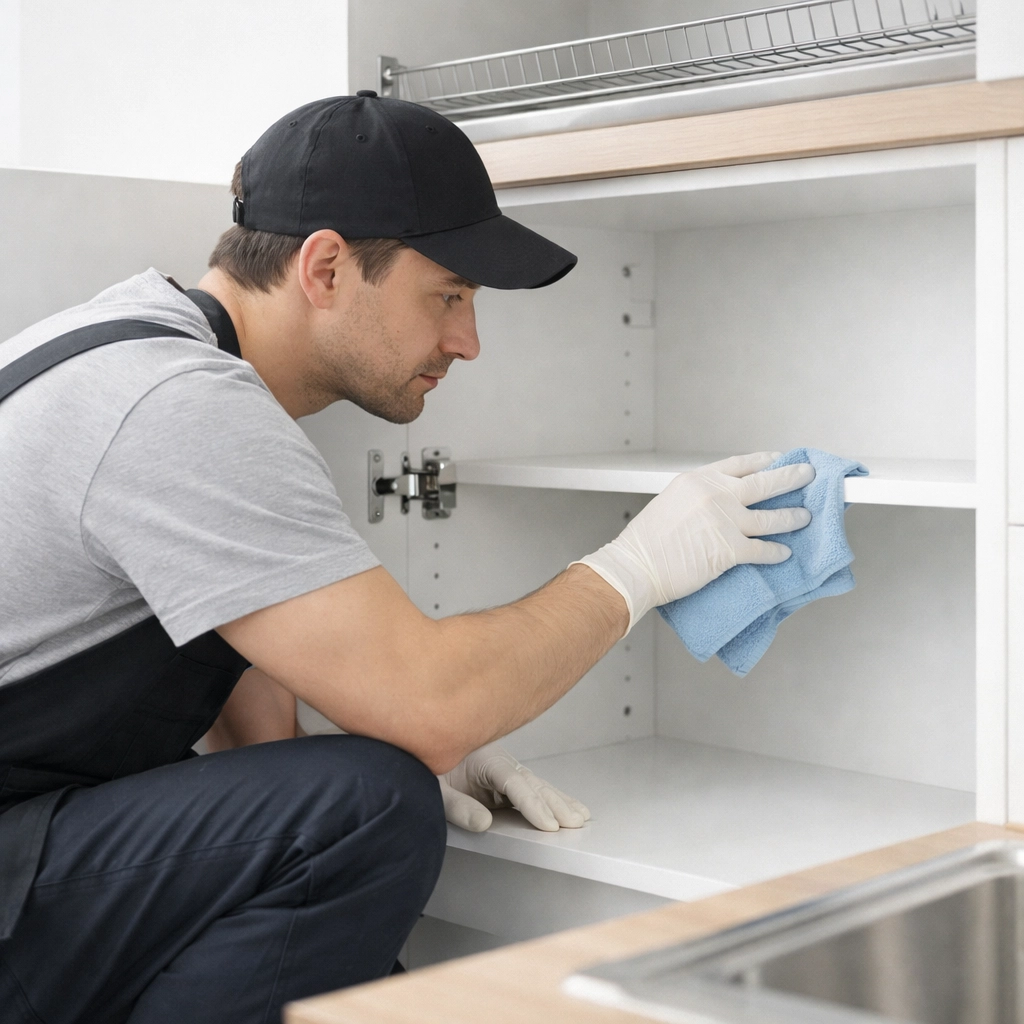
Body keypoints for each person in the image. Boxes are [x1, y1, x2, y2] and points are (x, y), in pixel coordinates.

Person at [0, 93, 813, 1024]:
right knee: (368, 807)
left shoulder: (135, 339)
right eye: (450, 296)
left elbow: (239, 685)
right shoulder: (181, 405)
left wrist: (385, 734)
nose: (467, 342)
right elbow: (431, 711)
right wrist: (637, 568)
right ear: (328, 266)